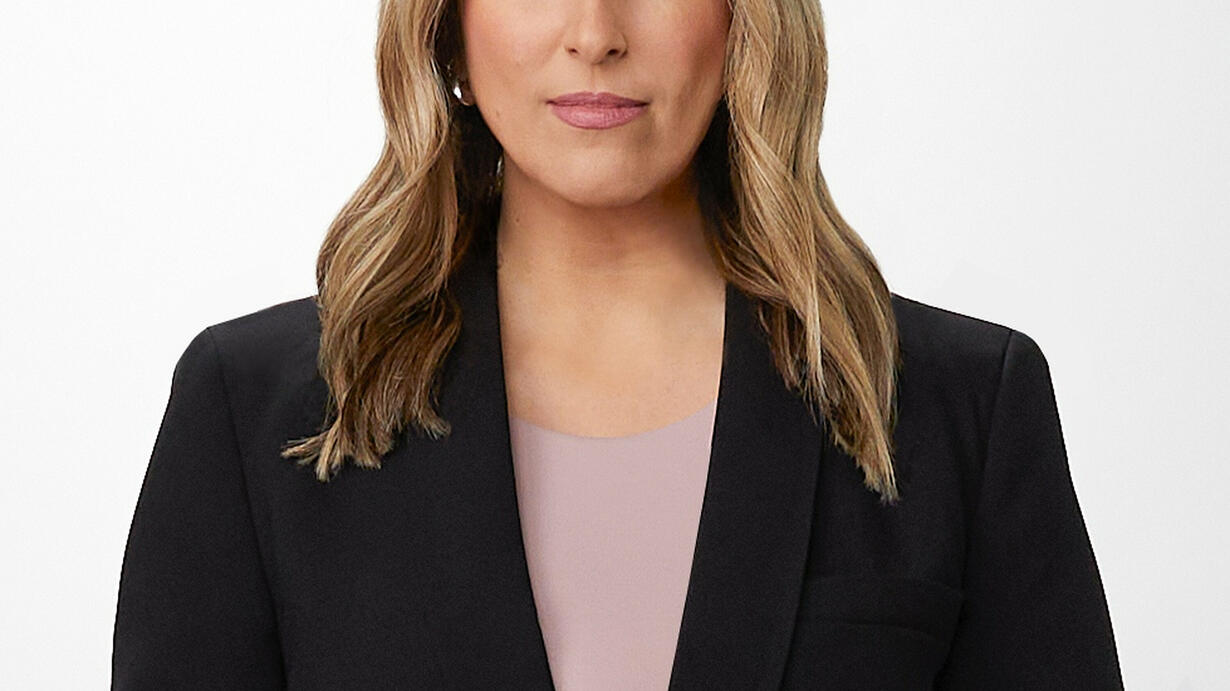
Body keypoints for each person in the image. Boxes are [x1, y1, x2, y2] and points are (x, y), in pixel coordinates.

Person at [111, 0, 1124, 688]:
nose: (595, 33)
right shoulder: (251, 416)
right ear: (448, 31)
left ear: (744, 22)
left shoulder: (962, 407)